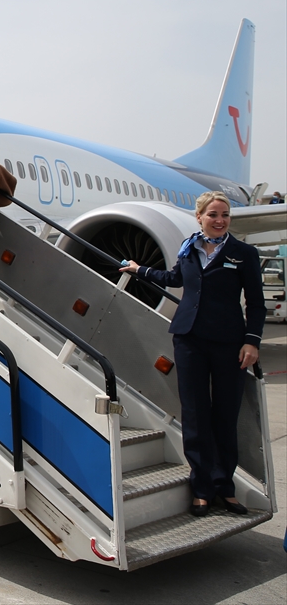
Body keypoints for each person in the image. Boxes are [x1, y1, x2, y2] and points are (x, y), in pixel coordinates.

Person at [121, 192, 265, 517]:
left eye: (225, 214)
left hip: (229, 343)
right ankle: (201, 489)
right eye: (213, 214)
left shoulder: (243, 253)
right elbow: (174, 279)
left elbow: (256, 303)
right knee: (196, 415)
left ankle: (224, 487)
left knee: (225, 415)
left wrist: (252, 341)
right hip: (189, 340)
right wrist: (140, 269)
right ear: (199, 217)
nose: (220, 220)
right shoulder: (189, 248)